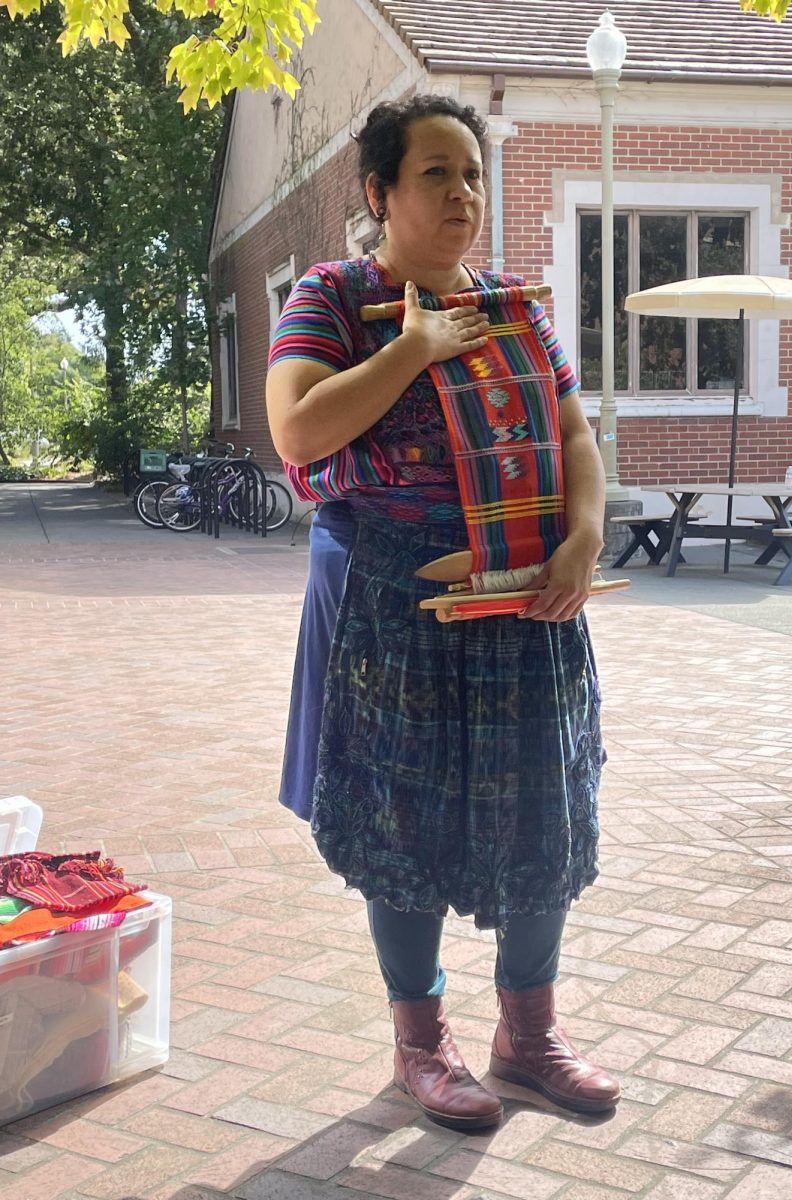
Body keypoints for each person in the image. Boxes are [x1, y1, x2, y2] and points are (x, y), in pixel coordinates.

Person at [266, 94, 619, 1132]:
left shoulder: (517, 303)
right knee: (403, 818)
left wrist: (587, 532)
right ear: (379, 193)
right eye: (436, 173)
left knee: (542, 808)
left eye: (472, 173)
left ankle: (530, 1035)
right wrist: (413, 348)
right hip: (400, 604)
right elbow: (295, 427)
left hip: (530, 598)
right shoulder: (333, 298)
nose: (464, 193)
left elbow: (571, 429)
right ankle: (422, 1044)